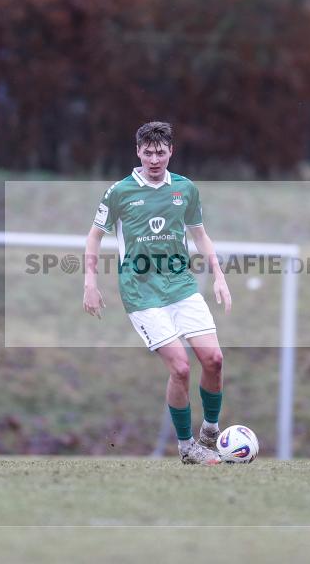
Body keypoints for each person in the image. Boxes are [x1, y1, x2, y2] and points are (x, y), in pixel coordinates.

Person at [83, 121, 232, 465]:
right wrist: (90, 282)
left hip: (181, 287)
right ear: (138, 152)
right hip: (141, 293)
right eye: (148, 152)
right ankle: (187, 447)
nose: (154, 159)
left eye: (160, 152)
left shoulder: (185, 189)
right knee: (180, 368)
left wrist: (219, 276)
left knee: (214, 360)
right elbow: (94, 236)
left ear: (171, 152)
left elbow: (200, 236)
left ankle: (210, 430)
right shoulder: (118, 192)